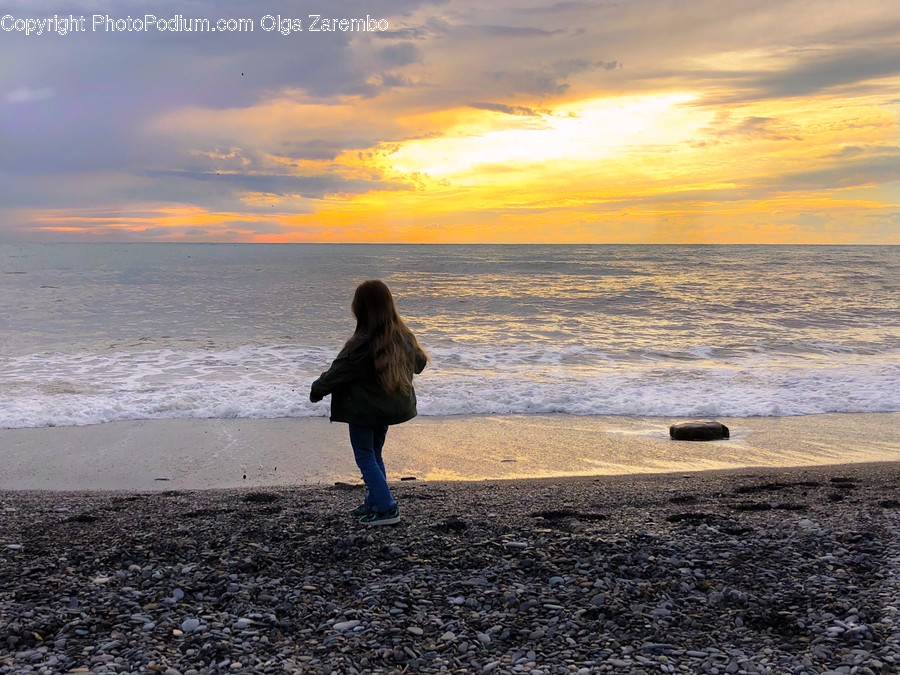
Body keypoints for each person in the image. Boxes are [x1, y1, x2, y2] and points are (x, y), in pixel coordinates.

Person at [310, 280, 428, 526]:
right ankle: (374, 502)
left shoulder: (363, 344)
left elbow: (338, 373)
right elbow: (419, 364)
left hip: (364, 411)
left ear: (360, 308)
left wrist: (317, 390)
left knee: (365, 457)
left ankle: (386, 508)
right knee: (374, 455)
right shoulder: (403, 337)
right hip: (386, 409)